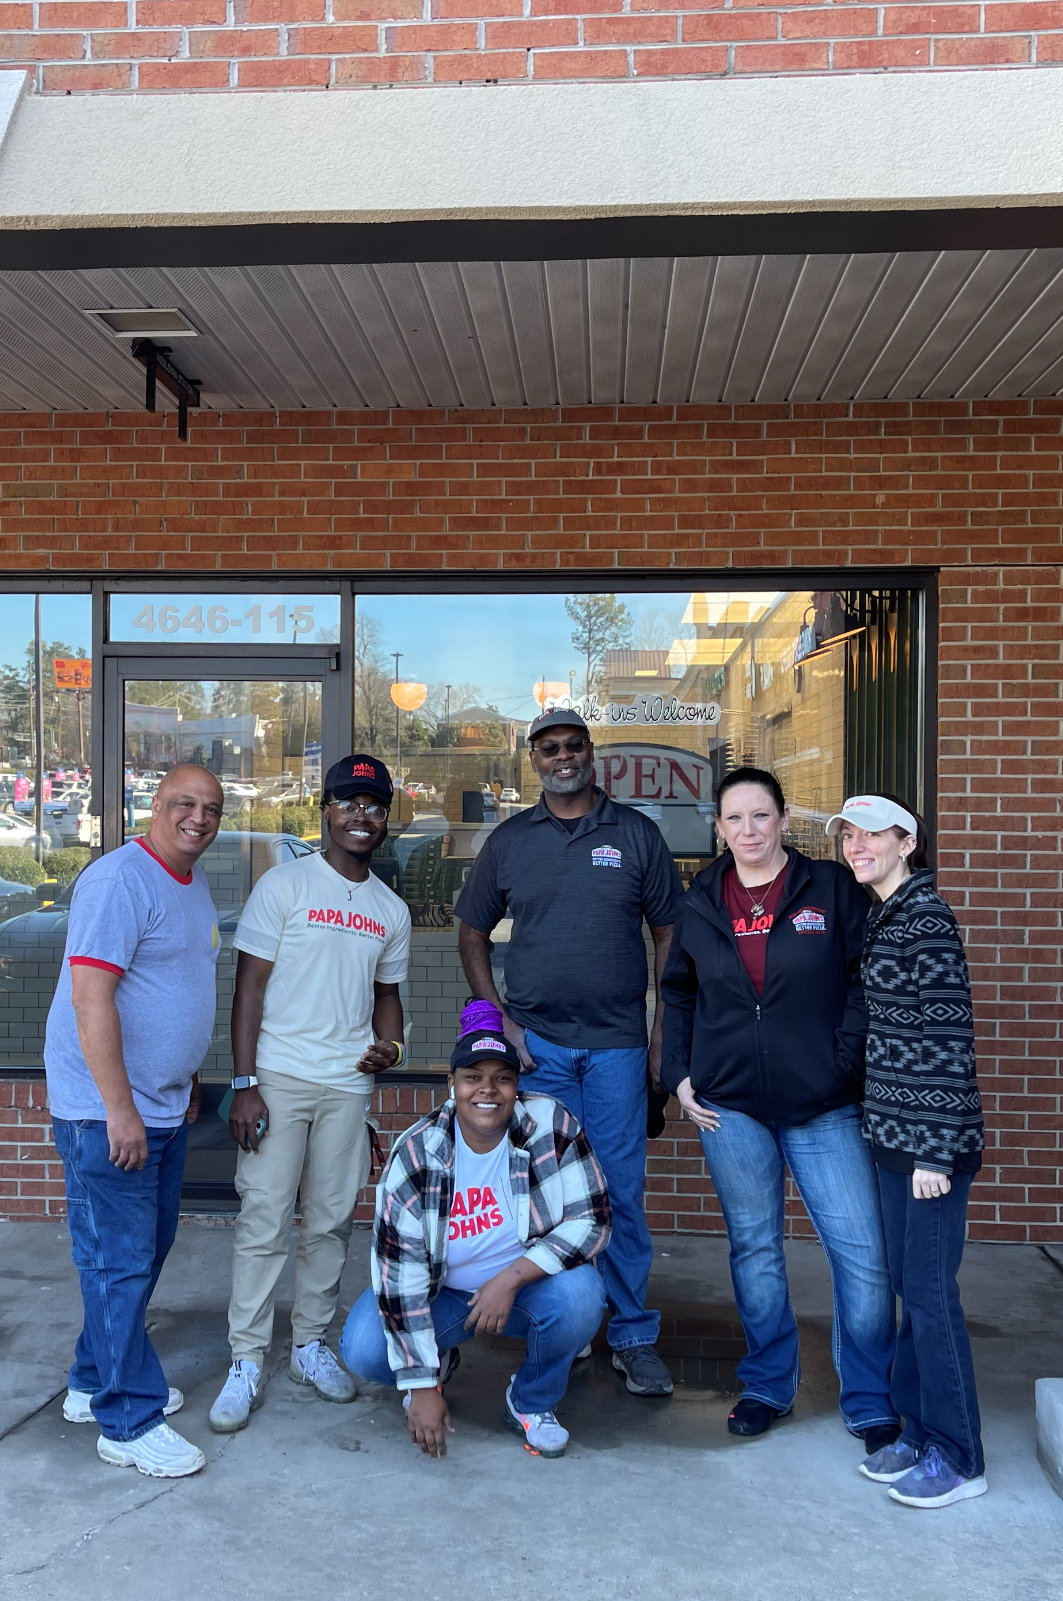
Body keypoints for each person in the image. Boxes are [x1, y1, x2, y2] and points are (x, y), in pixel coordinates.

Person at [660, 766, 900, 1449]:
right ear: (717, 827)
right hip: (730, 1106)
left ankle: (869, 1393)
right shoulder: (702, 896)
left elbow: (863, 977)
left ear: (784, 818)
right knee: (755, 1250)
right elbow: (677, 991)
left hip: (823, 1104)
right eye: (733, 818)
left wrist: (843, 1061)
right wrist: (678, 1073)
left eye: (759, 815)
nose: (747, 830)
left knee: (860, 1253)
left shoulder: (827, 887)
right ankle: (768, 1382)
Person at [454, 708, 680, 1398]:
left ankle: (632, 1334)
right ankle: (567, 1323)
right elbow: (471, 930)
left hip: (615, 1047)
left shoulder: (635, 833)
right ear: (534, 759)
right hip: (538, 1050)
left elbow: (669, 935)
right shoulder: (511, 839)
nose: (562, 757)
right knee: (546, 1195)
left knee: (620, 1193)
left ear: (590, 752)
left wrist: (658, 1039)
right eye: (548, 748)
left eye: (572, 745)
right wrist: (500, 1026)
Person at [209, 755, 411, 1434]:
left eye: (374, 805)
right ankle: (245, 1357)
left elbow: (387, 998)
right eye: (348, 802)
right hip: (279, 1077)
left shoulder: (390, 908)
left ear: (387, 818)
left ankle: (308, 1345)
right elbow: (248, 990)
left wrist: (393, 1048)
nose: (361, 815)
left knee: (329, 1220)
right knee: (265, 1217)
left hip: (346, 1083)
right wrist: (244, 1083)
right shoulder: (284, 885)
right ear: (325, 809)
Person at [45, 765, 224, 1479]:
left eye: (210, 808)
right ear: (156, 805)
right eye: (184, 803)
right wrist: (120, 1108)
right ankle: (127, 1418)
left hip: (161, 1102)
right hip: (107, 1112)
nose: (199, 818)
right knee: (119, 1262)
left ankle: (93, 1381)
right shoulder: (120, 878)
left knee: (142, 1250)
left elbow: (172, 983)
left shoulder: (190, 879)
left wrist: (184, 1073)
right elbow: (92, 999)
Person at [340, 1006, 610, 1459]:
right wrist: (423, 1384)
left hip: (526, 1287)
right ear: (452, 1086)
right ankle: (438, 1361)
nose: (487, 1089)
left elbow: (593, 1218)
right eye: (472, 1077)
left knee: (582, 1296)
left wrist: (510, 1279)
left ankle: (530, 1401)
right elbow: (398, 1276)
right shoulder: (416, 1155)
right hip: (441, 1292)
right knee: (364, 1348)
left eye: (502, 1077)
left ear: (516, 1086)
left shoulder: (550, 1125)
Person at [831, 793, 987, 1508]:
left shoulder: (926, 919)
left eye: (872, 835)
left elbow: (948, 1042)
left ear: (906, 842)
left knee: (930, 1297)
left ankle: (959, 1457)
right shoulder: (883, 913)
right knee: (908, 1289)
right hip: (892, 1138)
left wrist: (932, 1152)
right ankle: (919, 1434)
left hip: (928, 1147)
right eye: (848, 836)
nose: (857, 845)